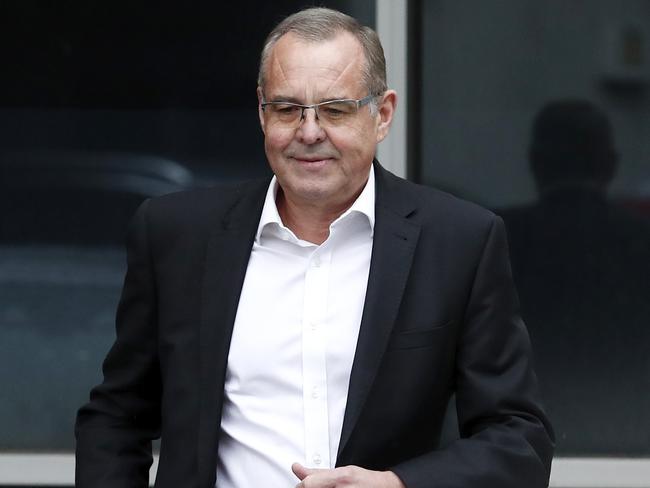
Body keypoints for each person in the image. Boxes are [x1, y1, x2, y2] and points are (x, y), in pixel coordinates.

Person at [76, 7, 553, 487]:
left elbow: (518, 440)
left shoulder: (458, 242)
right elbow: (116, 419)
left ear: (382, 115)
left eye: (335, 109)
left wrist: (397, 485)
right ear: (262, 113)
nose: (308, 132)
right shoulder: (177, 235)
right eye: (287, 109)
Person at [500, 100, 650, 454]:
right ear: (610, 164)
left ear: (535, 162)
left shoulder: (500, 237)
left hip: (522, 442)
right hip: (630, 436)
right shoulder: (641, 240)